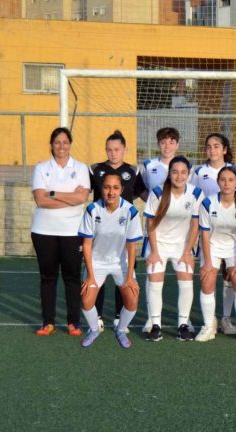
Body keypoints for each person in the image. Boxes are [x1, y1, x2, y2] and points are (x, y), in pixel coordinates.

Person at [31, 127, 91, 337]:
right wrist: (69, 198)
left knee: (72, 277)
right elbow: (40, 200)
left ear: (70, 144)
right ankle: (48, 322)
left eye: (65, 142)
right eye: (57, 142)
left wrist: (53, 194)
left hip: (72, 231)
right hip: (43, 231)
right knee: (48, 277)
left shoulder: (81, 168)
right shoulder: (41, 168)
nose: (61, 146)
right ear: (51, 145)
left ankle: (73, 323)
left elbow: (82, 198)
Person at [88, 130, 145, 334]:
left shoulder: (133, 171)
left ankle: (120, 317)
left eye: (117, 149)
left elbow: (141, 193)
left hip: (123, 232)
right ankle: (99, 316)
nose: (113, 153)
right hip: (99, 230)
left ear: (124, 149)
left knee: (123, 274)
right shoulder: (95, 169)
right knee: (98, 274)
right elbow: (83, 191)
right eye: (109, 149)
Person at [77, 172, 143, 349]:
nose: (111, 192)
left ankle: (121, 329)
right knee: (86, 300)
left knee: (132, 300)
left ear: (121, 189)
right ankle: (94, 329)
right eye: (106, 187)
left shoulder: (130, 211)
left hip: (120, 263)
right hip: (97, 262)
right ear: (101, 189)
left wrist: (130, 277)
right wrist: (90, 275)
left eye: (115, 188)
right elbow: (87, 244)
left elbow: (131, 246)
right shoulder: (92, 210)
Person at [143, 156, 202, 342]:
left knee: (186, 281)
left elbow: (195, 224)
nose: (179, 176)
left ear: (188, 174)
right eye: (175, 172)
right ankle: (155, 325)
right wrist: (154, 252)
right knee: (155, 280)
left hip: (182, 246)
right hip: (157, 243)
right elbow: (150, 222)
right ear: (169, 173)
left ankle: (183, 325)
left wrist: (188, 251)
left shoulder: (196, 193)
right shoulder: (158, 193)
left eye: (183, 172)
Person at [191, 133, 236, 337]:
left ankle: (226, 319)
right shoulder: (199, 171)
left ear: (225, 149)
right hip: (208, 234)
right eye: (209, 146)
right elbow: (193, 197)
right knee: (208, 276)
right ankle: (209, 321)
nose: (212, 150)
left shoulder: (234, 171)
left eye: (217, 146)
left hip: (230, 236)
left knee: (229, 276)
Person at [196, 166, 236, 342]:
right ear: (218, 182)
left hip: (235, 248)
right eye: (223, 179)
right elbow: (204, 235)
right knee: (207, 280)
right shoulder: (208, 203)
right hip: (211, 246)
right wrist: (206, 263)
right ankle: (208, 326)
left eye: (230, 180)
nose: (226, 183)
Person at [139, 126, 181, 334]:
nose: (167, 146)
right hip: (156, 230)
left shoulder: (185, 167)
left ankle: (184, 321)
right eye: (163, 142)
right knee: (153, 274)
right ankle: (152, 319)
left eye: (171, 142)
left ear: (177, 145)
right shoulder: (149, 165)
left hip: (180, 233)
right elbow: (140, 189)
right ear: (158, 144)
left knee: (185, 278)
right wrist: (158, 205)